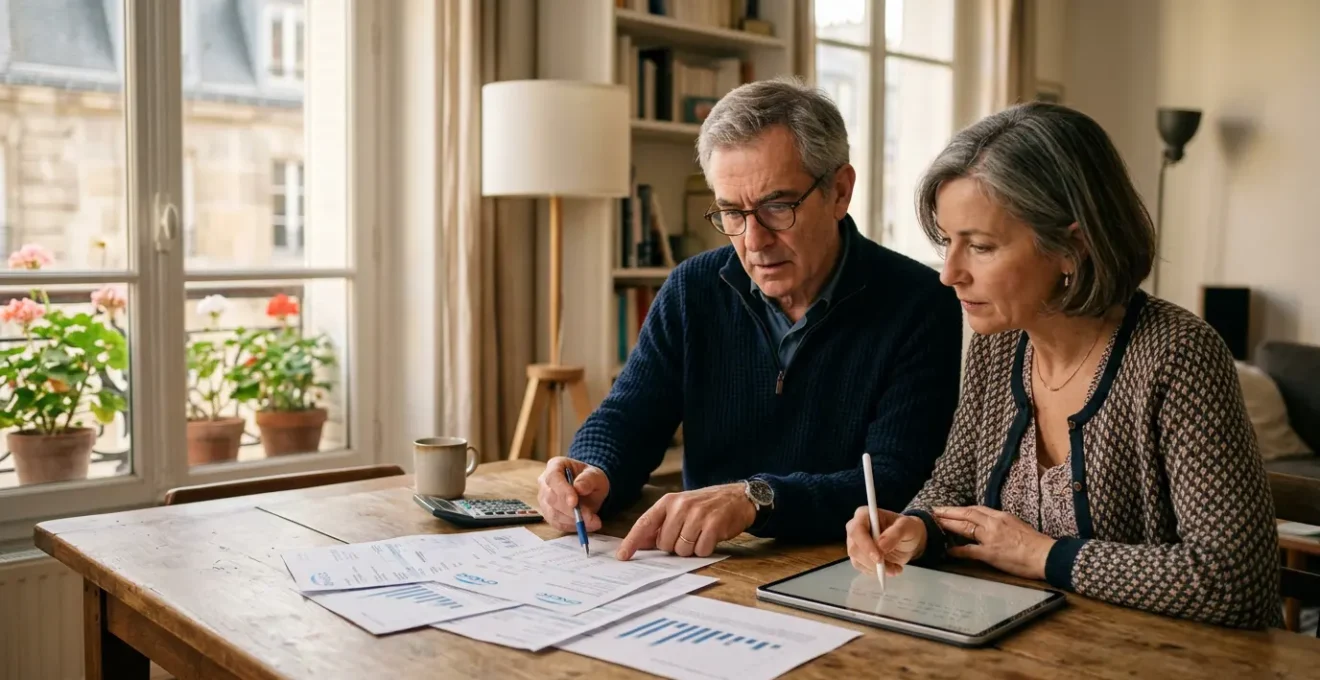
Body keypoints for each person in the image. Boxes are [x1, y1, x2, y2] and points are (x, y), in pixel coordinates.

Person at [845, 101, 1281, 629]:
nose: (950, 273)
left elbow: (1234, 578)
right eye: (946, 241)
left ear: (1072, 247)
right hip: (1040, 647)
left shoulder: (1178, 356)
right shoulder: (1000, 342)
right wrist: (917, 527)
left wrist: (1045, 555)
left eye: (980, 247)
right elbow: (953, 488)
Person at [536, 77, 964, 560]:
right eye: (731, 213)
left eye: (777, 207)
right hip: (700, 567)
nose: (753, 241)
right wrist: (591, 472)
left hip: (847, 573)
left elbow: (895, 481)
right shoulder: (691, 289)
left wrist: (757, 499)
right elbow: (629, 418)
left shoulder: (920, 303)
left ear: (840, 191)